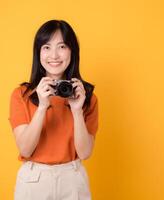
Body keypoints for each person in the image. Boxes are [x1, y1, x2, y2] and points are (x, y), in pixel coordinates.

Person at [8, 19, 98, 200]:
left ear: (72, 51)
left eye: (62, 46)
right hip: (34, 180)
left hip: (73, 179)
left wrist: (77, 110)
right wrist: (42, 106)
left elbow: (85, 153)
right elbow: (25, 149)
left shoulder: (86, 96)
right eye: (46, 47)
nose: (54, 55)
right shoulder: (22, 95)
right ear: (38, 53)